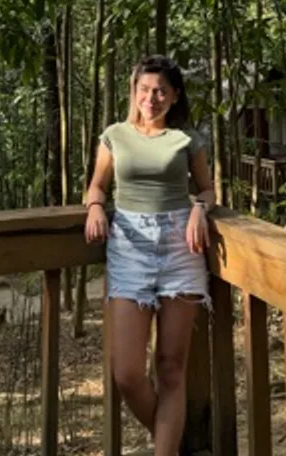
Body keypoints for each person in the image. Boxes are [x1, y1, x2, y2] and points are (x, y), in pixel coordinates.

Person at [84, 55, 215, 456]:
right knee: (126, 372)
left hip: (180, 246)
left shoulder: (186, 139)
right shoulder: (115, 135)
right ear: (134, 92)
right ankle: (171, 441)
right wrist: (94, 207)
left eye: (160, 91)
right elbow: (97, 185)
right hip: (129, 248)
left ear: (174, 96)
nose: (151, 98)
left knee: (171, 368)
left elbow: (207, 189)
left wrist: (200, 209)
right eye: (144, 89)